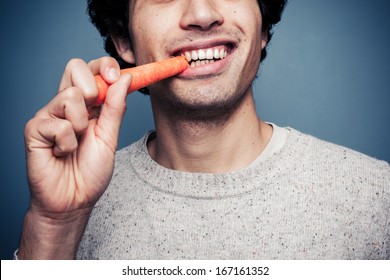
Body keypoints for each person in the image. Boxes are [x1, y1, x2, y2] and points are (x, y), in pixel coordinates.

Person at [17, 0, 389, 260]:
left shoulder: (377, 197)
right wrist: (55, 225)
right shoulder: (73, 208)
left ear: (262, 27)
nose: (201, 14)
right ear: (123, 41)